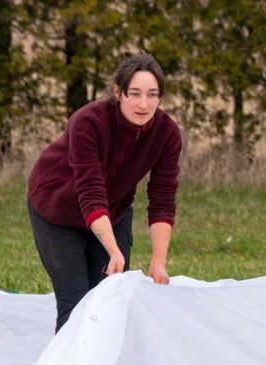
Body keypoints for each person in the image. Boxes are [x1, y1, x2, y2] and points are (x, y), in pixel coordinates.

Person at [28, 53, 183, 332]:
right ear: (118, 92)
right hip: (58, 207)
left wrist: (158, 262)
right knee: (76, 303)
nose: (143, 104)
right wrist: (113, 251)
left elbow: (162, 199)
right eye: (134, 93)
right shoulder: (88, 121)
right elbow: (89, 190)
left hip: (113, 209)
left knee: (110, 299)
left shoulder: (167, 133)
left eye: (152, 94)